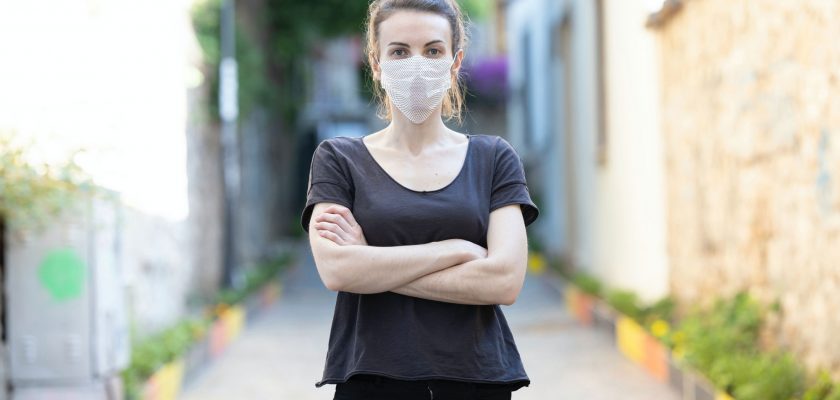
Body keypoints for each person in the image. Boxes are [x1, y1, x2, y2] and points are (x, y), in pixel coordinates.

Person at [300, 0, 539, 399]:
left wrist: (371, 262)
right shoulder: (339, 159)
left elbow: (504, 281)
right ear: (376, 64)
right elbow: (338, 271)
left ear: (454, 62)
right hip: (372, 381)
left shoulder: (494, 157)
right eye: (399, 52)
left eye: (432, 50)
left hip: (476, 380)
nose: (416, 65)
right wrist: (455, 249)